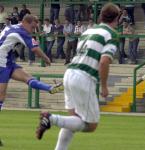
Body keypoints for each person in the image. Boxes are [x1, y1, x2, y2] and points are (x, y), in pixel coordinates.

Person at [36, 3, 120, 150]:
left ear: (101, 16)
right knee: (91, 125)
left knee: (73, 119)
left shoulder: (89, 31)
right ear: (117, 18)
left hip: (69, 73)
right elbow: (104, 61)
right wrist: (105, 86)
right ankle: (50, 118)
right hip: (84, 77)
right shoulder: (111, 34)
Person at [0, 14, 64, 112]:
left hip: (8, 61)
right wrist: (46, 58)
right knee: (1, 95)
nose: (32, 30)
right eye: (32, 27)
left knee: (28, 78)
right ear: (25, 22)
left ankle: (50, 88)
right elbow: (35, 48)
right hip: (1, 63)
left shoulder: (12, 27)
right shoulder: (21, 32)